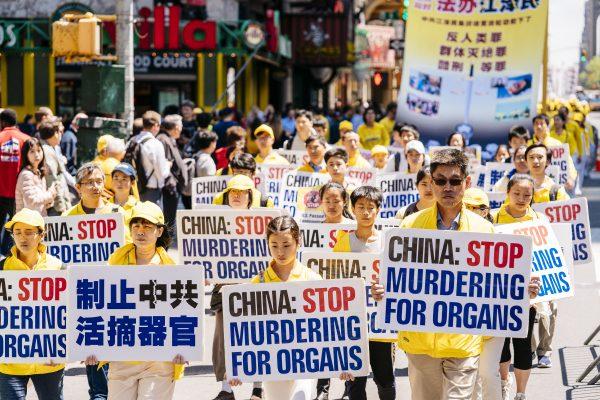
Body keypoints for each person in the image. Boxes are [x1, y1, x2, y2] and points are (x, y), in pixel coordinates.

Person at [372, 148, 494, 400]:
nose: (447, 187)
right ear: (431, 181)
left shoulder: (484, 229)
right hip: (420, 344)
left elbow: (495, 283)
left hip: (463, 342)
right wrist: (383, 290)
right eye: (440, 180)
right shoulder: (410, 225)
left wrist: (519, 291)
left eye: (455, 180)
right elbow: (397, 278)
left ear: (466, 183)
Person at [229, 216, 345, 400]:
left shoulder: (313, 280)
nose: (280, 251)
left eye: (286, 245)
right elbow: (245, 330)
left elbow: (330, 326)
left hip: (306, 359)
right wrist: (236, 367)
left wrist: (341, 362)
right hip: (273, 362)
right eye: (274, 245)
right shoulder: (258, 282)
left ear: (298, 242)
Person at [84, 202, 185, 400]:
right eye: (136, 225)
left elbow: (183, 314)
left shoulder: (171, 269)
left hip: (158, 361)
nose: (140, 231)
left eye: (147, 226)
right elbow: (99, 307)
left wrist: (184, 346)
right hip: (121, 360)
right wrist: (90, 344)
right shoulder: (113, 264)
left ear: (159, 231)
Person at [210, 174, 269, 400]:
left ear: (250, 196)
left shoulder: (263, 223)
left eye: (242, 192)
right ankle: (226, 389)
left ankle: (257, 388)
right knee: (224, 340)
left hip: (255, 288)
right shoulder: (213, 223)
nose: (236, 196)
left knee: (257, 337)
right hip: (224, 289)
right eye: (232, 192)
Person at [334, 186, 395, 400]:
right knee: (355, 381)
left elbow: (395, 280)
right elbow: (335, 280)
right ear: (352, 209)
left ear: (378, 210)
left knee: (385, 377)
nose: (366, 212)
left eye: (371, 207)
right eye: (361, 207)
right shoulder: (343, 242)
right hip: (353, 323)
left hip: (378, 323)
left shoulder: (386, 243)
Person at [0, 208, 65, 400]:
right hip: (9, 362)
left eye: (29, 232)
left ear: (41, 235)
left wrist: (64, 349)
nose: (23, 238)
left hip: (49, 361)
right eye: (17, 233)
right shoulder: (2, 269)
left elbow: (69, 313)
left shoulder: (58, 268)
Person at [491, 174, 543, 400]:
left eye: (527, 195)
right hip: (498, 293)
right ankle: (504, 383)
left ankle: (521, 392)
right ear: (507, 193)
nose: (522, 198)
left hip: (527, 296)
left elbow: (549, 257)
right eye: (517, 194)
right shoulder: (493, 218)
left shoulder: (538, 221)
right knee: (501, 345)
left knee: (523, 343)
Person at [0, 109, 31, 254]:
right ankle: (14, 256)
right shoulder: (25, 139)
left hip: (1, 192)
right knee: (18, 229)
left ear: (2, 122)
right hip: (19, 194)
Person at [527, 114, 576, 191]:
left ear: (547, 126)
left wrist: (571, 178)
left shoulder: (556, 144)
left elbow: (568, 163)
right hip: (533, 186)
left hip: (555, 185)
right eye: (536, 123)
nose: (538, 126)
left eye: (541, 123)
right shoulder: (528, 145)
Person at [133, 110, 171, 204]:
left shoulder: (132, 141)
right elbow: (162, 173)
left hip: (133, 189)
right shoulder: (155, 144)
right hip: (151, 191)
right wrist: (168, 165)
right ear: (155, 126)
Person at [157, 115, 186, 230]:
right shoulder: (163, 139)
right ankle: (165, 246)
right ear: (176, 127)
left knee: (170, 220)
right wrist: (172, 184)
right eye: (181, 126)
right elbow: (165, 164)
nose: (182, 129)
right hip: (169, 188)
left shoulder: (168, 138)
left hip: (172, 187)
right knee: (168, 222)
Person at [15, 138, 57, 216]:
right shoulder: (26, 174)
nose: (36, 155)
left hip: (38, 220)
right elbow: (31, 201)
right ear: (26, 154)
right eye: (32, 151)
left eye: (39, 150)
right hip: (27, 222)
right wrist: (50, 194)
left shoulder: (39, 172)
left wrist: (48, 202)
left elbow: (40, 201)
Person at [38, 119, 72, 217]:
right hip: (54, 204)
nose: (61, 135)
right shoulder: (47, 151)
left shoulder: (48, 148)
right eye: (59, 132)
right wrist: (60, 204)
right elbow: (52, 180)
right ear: (54, 134)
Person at [181, 130, 218, 209]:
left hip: (190, 195)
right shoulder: (207, 160)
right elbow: (211, 182)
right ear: (212, 143)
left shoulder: (196, 155)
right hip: (201, 199)